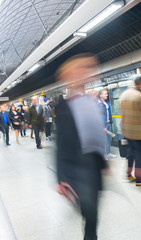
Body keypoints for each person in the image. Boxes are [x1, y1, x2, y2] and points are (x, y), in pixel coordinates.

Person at [55, 53, 107, 240]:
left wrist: (104, 163)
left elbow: (95, 135)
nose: (88, 72)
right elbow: (60, 144)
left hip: (93, 167)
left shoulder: (90, 102)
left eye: (90, 68)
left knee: (92, 214)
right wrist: (61, 177)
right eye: (83, 68)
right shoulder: (63, 107)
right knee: (90, 214)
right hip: (77, 169)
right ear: (70, 75)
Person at [98, 89, 116, 160]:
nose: (107, 95)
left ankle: (108, 153)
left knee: (109, 139)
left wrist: (110, 121)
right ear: (100, 95)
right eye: (105, 94)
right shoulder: (98, 103)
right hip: (103, 125)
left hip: (108, 123)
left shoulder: (107, 101)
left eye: (107, 94)